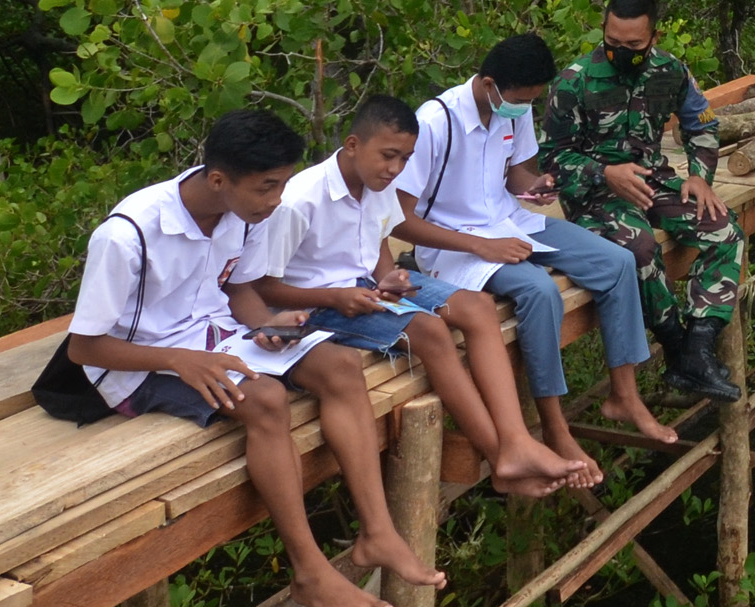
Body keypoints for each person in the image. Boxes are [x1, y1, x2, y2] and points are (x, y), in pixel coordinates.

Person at [62, 108, 443, 607]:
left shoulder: (245, 213)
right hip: (139, 361)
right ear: (219, 180)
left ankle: (377, 531)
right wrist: (178, 359)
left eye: (282, 184)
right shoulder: (128, 234)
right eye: (267, 188)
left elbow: (238, 289)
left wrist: (266, 324)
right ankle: (309, 571)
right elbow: (85, 347)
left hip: (213, 336)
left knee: (336, 364)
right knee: (266, 400)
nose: (277, 200)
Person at [244, 95, 593, 498]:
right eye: (388, 156)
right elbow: (262, 288)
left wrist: (389, 279)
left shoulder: (378, 184)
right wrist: (338, 297)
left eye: (405, 159)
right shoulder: (299, 200)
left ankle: (516, 439)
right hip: (314, 304)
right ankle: (500, 457)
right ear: (354, 144)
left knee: (477, 308)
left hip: (362, 287)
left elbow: (376, 247)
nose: (395, 169)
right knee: (430, 331)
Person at [390, 33, 678, 460]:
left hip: (513, 221)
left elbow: (517, 176)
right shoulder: (435, 123)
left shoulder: (513, 109)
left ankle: (624, 395)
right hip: (454, 245)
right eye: (521, 98)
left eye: (532, 100)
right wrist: (481, 247)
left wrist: (537, 187)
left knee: (618, 262)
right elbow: (401, 220)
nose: (525, 107)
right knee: (539, 292)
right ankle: (554, 425)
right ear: (490, 84)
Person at [546, 0, 745, 404]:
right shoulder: (574, 81)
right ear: (604, 31)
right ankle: (676, 348)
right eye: (613, 43)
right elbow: (550, 159)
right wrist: (604, 172)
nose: (622, 52)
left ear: (654, 37)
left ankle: (698, 349)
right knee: (639, 249)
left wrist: (700, 176)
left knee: (724, 230)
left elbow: (703, 124)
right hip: (595, 195)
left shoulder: (670, 71)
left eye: (633, 45)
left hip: (654, 182)